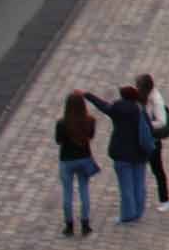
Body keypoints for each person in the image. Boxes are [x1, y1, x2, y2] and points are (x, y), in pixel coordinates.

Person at [81, 84, 152, 223]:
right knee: (139, 184)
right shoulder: (141, 109)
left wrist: (87, 95)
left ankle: (127, 215)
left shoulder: (117, 109)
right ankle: (138, 211)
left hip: (122, 154)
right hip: (139, 153)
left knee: (126, 187)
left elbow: (103, 106)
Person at [56, 91, 100, 236]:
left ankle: (69, 226)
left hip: (66, 160)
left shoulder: (62, 123)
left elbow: (58, 141)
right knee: (84, 191)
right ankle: (85, 224)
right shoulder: (90, 121)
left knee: (67, 193)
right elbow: (91, 136)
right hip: (84, 158)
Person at [136, 73, 169, 211]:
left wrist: (147, 124)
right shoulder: (140, 95)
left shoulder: (156, 100)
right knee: (137, 166)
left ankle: (164, 199)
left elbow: (162, 122)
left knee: (157, 169)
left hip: (152, 139)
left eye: (139, 86)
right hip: (141, 136)